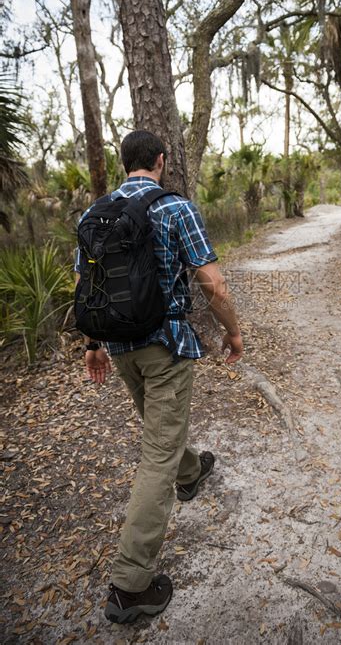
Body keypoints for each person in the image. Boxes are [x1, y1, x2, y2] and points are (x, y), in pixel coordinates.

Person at [74, 130, 243, 624]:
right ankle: (131, 586)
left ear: (125, 163)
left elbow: (87, 285)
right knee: (156, 454)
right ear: (162, 161)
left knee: (160, 429)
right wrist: (233, 334)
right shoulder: (176, 208)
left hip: (121, 346)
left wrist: (92, 344)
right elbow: (212, 283)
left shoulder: (93, 215)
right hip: (165, 346)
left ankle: (190, 473)